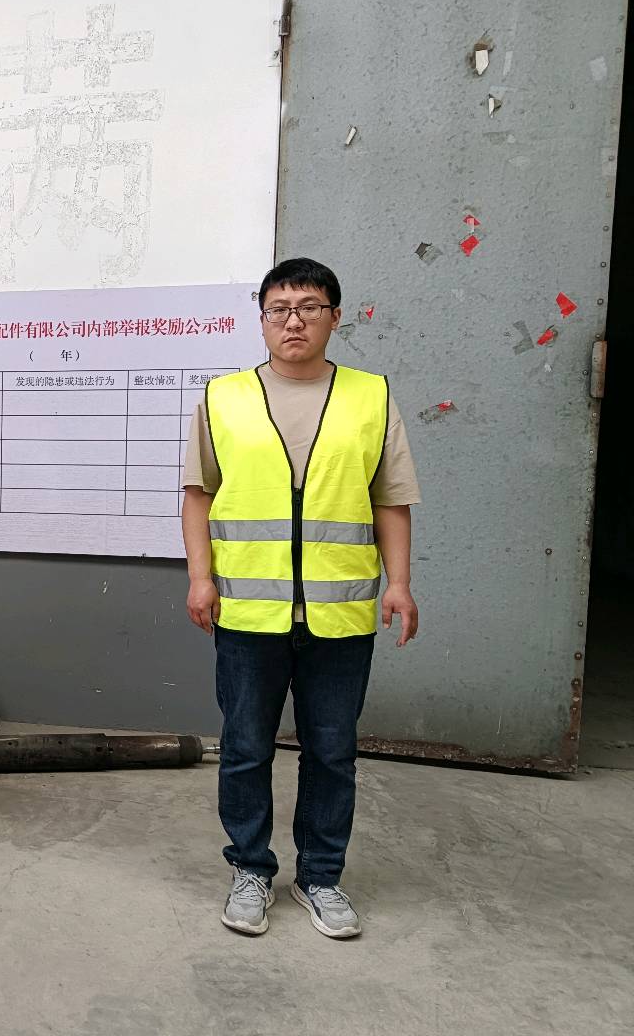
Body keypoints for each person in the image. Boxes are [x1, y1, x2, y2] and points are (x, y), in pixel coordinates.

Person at [181, 257, 420, 940]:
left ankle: (320, 877)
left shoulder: (370, 396)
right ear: (262, 319)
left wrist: (399, 583)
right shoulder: (223, 397)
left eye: (309, 307)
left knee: (332, 752)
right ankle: (250, 870)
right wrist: (200, 577)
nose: (294, 321)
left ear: (334, 317)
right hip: (247, 611)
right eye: (279, 309)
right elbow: (198, 494)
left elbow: (391, 500)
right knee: (245, 748)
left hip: (339, 614)